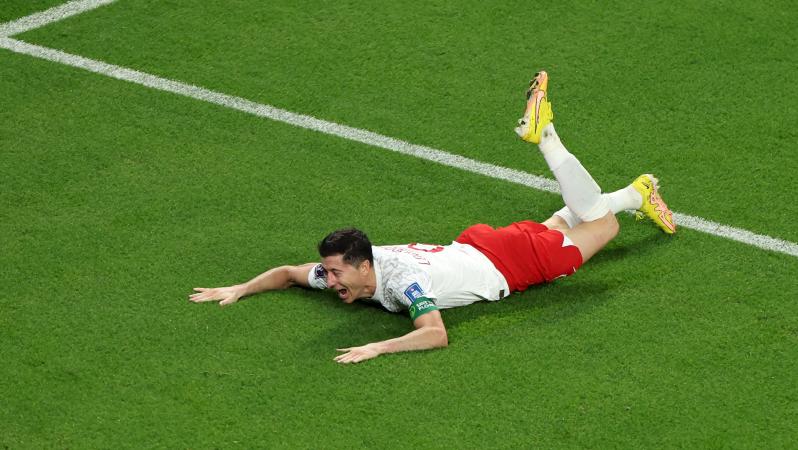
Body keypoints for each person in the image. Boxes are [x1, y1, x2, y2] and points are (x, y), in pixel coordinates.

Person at [189, 71, 675, 364]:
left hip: (508, 264)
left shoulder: (401, 284)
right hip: (483, 247)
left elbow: (435, 334)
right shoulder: (352, 273)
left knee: (599, 226)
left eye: (337, 272)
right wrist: (239, 288)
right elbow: (288, 273)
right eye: (329, 272)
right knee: (576, 219)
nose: (330, 281)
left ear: (364, 266)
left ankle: (547, 137)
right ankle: (637, 193)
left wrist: (378, 348)